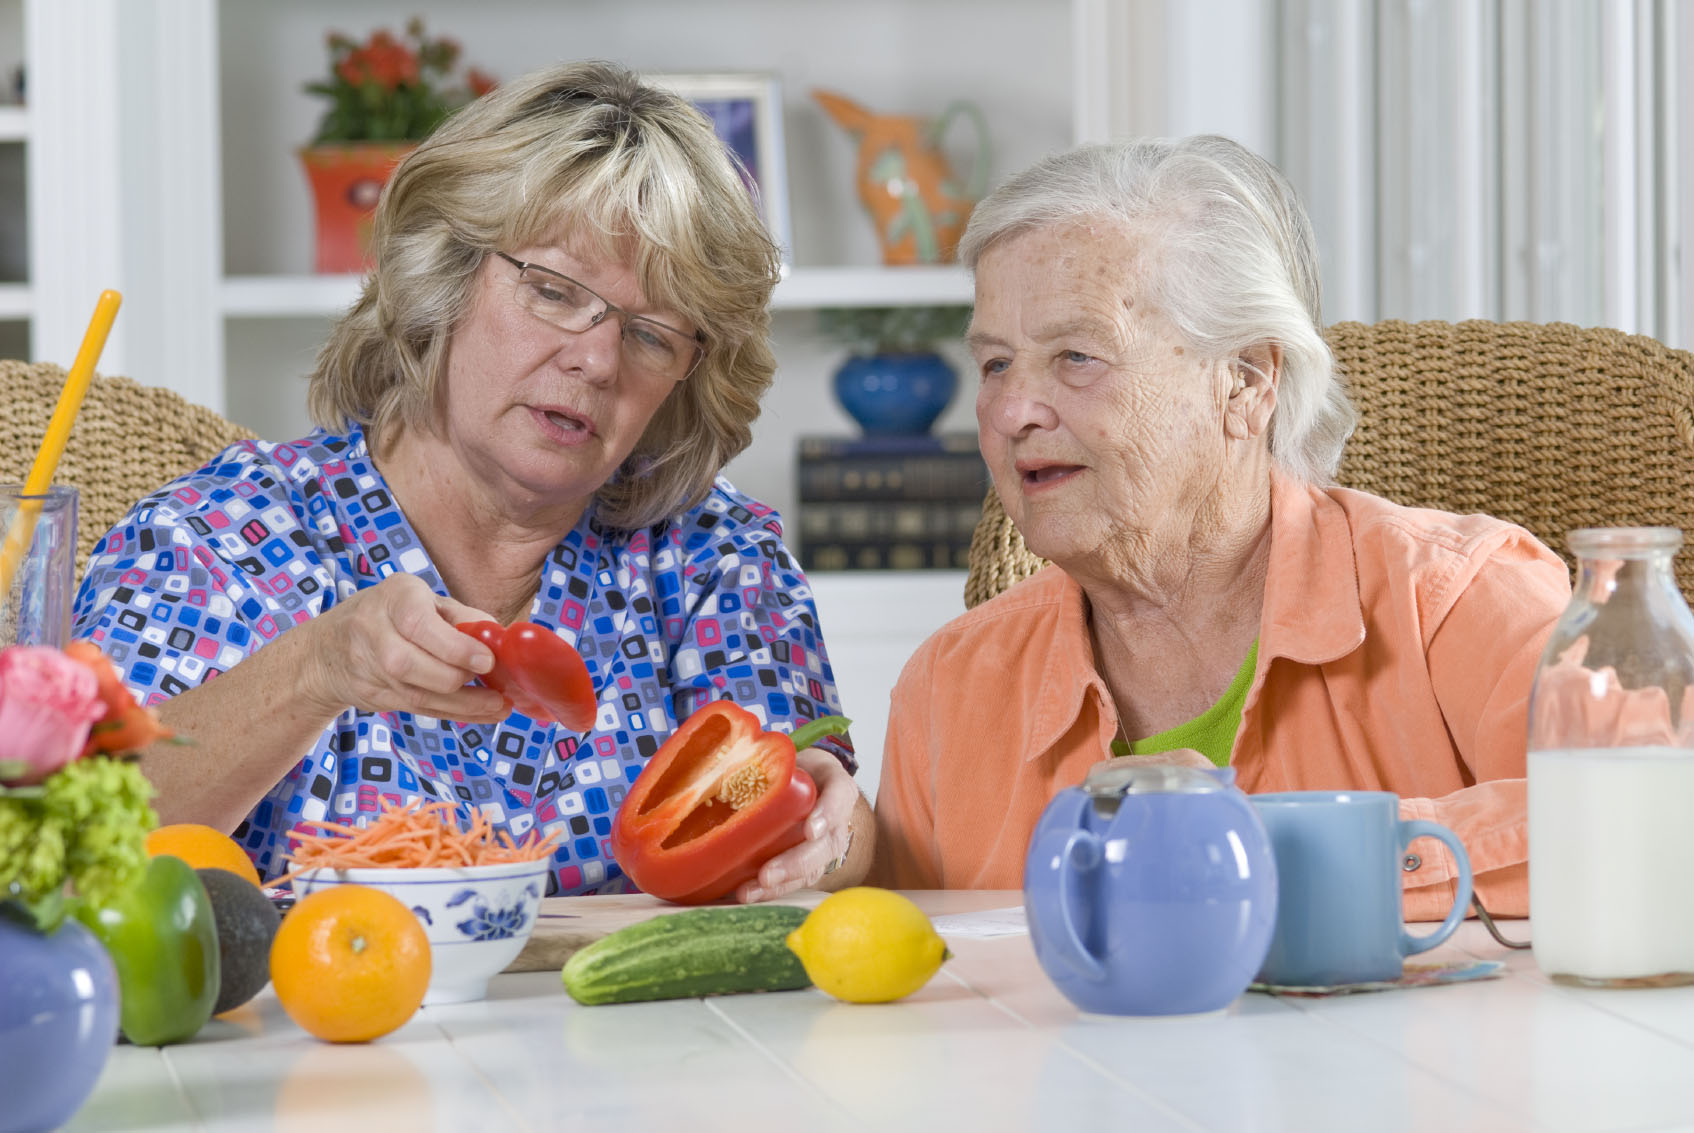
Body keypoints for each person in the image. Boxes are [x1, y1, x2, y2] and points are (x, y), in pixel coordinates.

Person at [72, 61, 872, 901]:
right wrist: (318, 669)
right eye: (557, 292)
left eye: (651, 335)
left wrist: (833, 826)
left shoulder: (713, 556)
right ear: (442, 279)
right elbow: (76, 842)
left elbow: (835, 825)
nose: (596, 359)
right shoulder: (216, 536)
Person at [870, 136, 1569, 919]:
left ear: (1245, 382)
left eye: (1076, 356)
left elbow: (1651, 828)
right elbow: (910, 987)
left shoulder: (1452, 599)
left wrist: (1267, 862)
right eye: (995, 363)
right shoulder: (949, 688)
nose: (1009, 411)